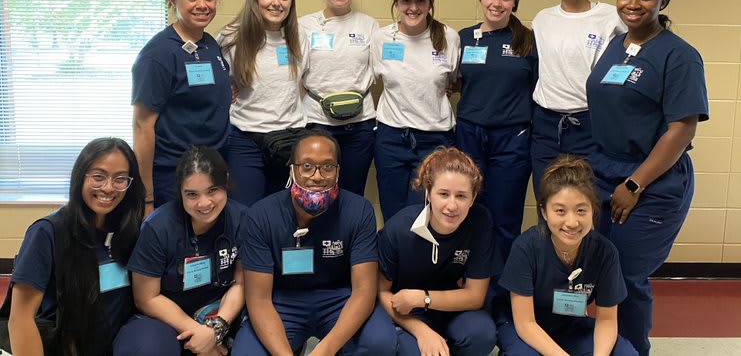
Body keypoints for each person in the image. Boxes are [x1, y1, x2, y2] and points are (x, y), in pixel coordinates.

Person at [586, 0, 709, 356]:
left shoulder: (680, 56)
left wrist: (635, 184)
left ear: (662, 1)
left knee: (626, 277)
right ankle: (598, 345)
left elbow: (682, 130)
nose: (633, 4)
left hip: (651, 180)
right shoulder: (616, 45)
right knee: (595, 270)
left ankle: (633, 350)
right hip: (603, 171)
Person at [232, 129, 396, 356]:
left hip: (340, 297)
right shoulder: (261, 215)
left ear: (338, 171)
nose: (317, 176)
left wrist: (325, 350)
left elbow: (364, 290)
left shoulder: (359, 211)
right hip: (282, 300)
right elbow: (258, 299)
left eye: (327, 166)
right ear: (292, 169)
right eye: (307, 166)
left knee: (380, 342)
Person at [3, 137, 144, 356]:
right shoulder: (47, 232)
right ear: (81, 177)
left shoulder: (129, 230)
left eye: (120, 179)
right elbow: (20, 319)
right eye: (98, 176)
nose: (108, 188)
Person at [498, 156, 637, 356]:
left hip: (570, 325)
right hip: (524, 326)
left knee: (625, 353)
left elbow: (607, 319)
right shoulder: (526, 248)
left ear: (593, 210)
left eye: (581, 210)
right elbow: (526, 323)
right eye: (560, 211)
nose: (571, 222)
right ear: (544, 212)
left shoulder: (604, 252)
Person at [117, 146, 247, 356]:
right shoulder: (158, 228)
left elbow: (242, 283)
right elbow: (146, 298)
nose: (204, 203)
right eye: (192, 194)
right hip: (166, 319)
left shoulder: (241, 219)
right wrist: (202, 335)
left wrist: (216, 329)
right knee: (148, 347)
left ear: (225, 182)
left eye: (212, 190)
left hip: (223, 314)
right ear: (180, 192)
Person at [377, 147, 498, 356]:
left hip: (451, 307)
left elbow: (475, 296)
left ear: (472, 198)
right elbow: (382, 292)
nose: (452, 205)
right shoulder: (399, 229)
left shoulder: (480, 222)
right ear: (428, 193)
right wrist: (421, 331)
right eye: (443, 194)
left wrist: (423, 298)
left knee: (481, 334)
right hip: (408, 311)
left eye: (461, 196)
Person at [132, 0, 231, 211]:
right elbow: (142, 127)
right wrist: (146, 197)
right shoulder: (158, 54)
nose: (202, 5)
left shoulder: (209, 43)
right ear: (172, 0)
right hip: (174, 176)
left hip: (212, 170)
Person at [455, 0, 537, 261]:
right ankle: (470, 276)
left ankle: (501, 283)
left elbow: (538, 88)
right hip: (469, 134)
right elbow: (453, 80)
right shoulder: (464, 38)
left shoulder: (528, 41)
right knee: (468, 208)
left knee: (504, 215)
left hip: (512, 138)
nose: (497, 3)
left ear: (515, 3)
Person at [530, 0, 626, 195]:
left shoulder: (611, 17)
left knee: (588, 198)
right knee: (547, 198)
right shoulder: (542, 20)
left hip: (589, 123)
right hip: (546, 125)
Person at [371, 0, 461, 220]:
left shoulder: (448, 37)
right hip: (392, 137)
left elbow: (454, 79)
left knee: (423, 214)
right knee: (392, 213)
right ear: (396, 3)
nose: (413, 7)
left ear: (430, 3)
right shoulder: (381, 38)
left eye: (420, 0)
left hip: (435, 138)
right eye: (406, 0)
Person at [218, 0, 309, 206]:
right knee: (245, 213)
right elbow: (216, 83)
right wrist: (226, 93)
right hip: (245, 140)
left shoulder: (300, 37)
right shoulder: (231, 37)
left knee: (284, 214)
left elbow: (310, 81)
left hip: (289, 139)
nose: (276, 3)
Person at [300, 0, 379, 196]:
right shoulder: (304, 25)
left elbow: (384, 68)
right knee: (316, 191)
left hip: (360, 125)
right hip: (317, 121)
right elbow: (289, 70)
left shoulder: (369, 25)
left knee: (352, 192)